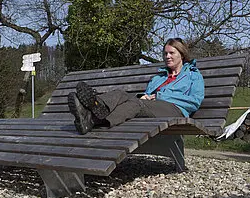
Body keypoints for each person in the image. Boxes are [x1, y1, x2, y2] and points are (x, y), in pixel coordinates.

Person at [68, 38, 205, 135]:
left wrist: (159, 96)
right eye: (165, 53)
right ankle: (96, 104)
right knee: (122, 94)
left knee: (137, 104)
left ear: (181, 54)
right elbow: (147, 96)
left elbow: (194, 101)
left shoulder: (193, 75)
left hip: (176, 110)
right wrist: (144, 96)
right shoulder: (159, 77)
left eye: (171, 53)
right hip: (153, 107)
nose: (167, 56)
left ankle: (90, 117)